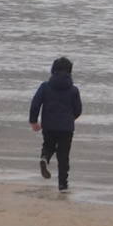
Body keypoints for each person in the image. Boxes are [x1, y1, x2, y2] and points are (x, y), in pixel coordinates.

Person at [29, 56, 82, 192]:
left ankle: (44, 158)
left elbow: (35, 103)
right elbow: (78, 110)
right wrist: (71, 118)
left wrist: (33, 121)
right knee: (63, 155)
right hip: (66, 127)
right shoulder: (73, 90)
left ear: (53, 70)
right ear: (70, 72)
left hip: (49, 125)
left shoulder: (45, 87)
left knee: (48, 145)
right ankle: (63, 185)